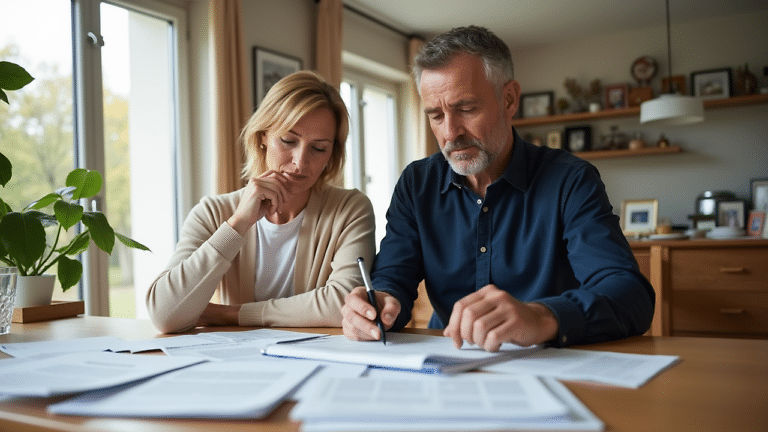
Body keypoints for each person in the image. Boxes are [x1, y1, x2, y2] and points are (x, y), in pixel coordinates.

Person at [341, 26, 654, 352]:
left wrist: (542, 316)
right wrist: (378, 303)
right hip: (446, 359)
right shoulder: (416, 184)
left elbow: (630, 294)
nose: (450, 133)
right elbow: (392, 277)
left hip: (547, 362)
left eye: (466, 109)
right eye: (435, 115)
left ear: (509, 99)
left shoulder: (571, 181)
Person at [147, 71, 376, 334]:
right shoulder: (212, 213)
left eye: (318, 148)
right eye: (288, 141)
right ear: (263, 137)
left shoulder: (350, 209)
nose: (300, 162)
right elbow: (164, 315)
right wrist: (237, 225)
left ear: (332, 154)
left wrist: (229, 314)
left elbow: (346, 304)